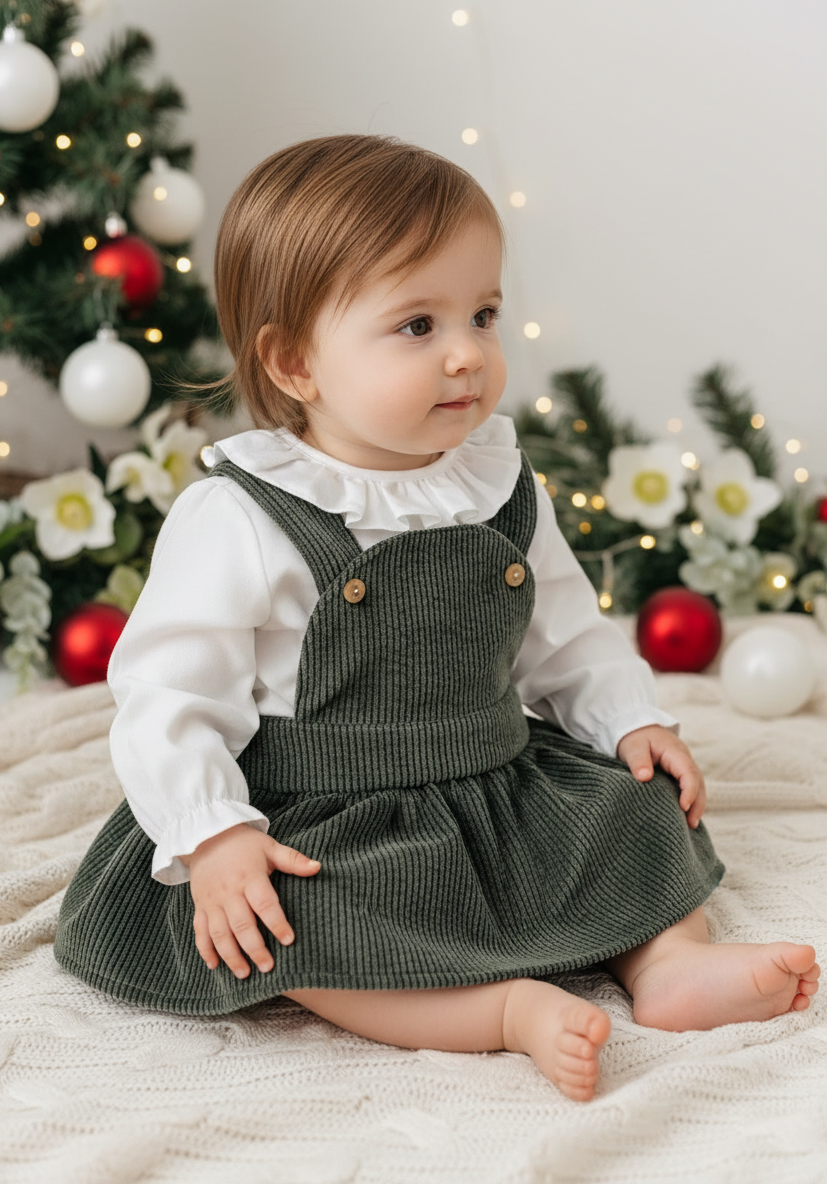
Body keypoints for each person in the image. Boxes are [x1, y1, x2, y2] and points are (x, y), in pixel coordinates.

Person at [54, 134, 819, 1103]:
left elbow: (565, 627)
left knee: (636, 813)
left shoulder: (496, 481)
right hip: (325, 806)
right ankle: (501, 1009)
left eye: (483, 313)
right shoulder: (242, 514)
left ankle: (666, 964)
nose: (468, 352)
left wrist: (630, 717)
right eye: (417, 324)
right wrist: (212, 832)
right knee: (297, 922)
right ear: (294, 362)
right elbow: (167, 691)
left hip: (494, 777)